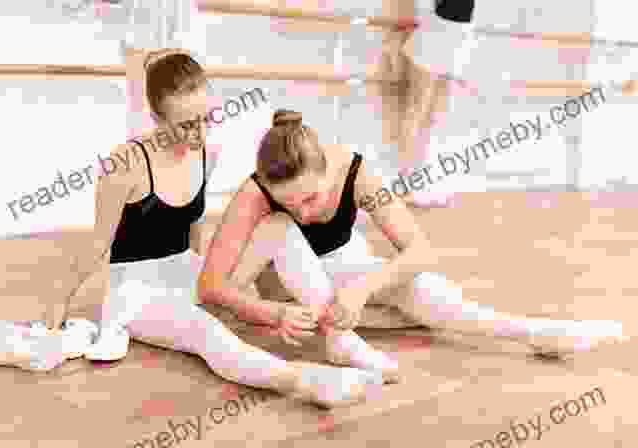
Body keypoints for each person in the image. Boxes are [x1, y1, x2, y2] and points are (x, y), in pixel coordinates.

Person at [197, 108, 626, 384]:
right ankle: (341, 340)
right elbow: (214, 287)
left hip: (342, 287)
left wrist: (361, 292)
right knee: (277, 226)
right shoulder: (256, 194)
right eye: (291, 203)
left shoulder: (356, 173)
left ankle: (535, 332)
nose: (304, 214)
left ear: (328, 167)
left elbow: (420, 250)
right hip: (297, 297)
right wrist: (270, 313)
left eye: (310, 198)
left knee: (427, 295)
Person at [65, 48, 384, 409]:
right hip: (137, 291)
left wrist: (216, 284)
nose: (200, 132)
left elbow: (194, 229)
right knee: (208, 334)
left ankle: (340, 337)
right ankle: (304, 381)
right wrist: (56, 312)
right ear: (154, 116)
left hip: (185, 270)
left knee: (276, 227)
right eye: (186, 125)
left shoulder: (207, 153)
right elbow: (96, 244)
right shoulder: (122, 165)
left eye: (207, 118)